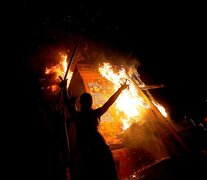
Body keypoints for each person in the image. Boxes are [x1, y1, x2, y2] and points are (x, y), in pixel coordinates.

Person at [59, 78, 129, 180]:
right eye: (88, 102)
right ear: (87, 103)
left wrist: (64, 88)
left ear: (81, 103)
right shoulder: (89, 114)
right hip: (95, 151)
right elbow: (109, 103)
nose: (89, 104)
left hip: (98, 150)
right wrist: (120, 89)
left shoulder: (81, 115)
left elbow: (68, 104)